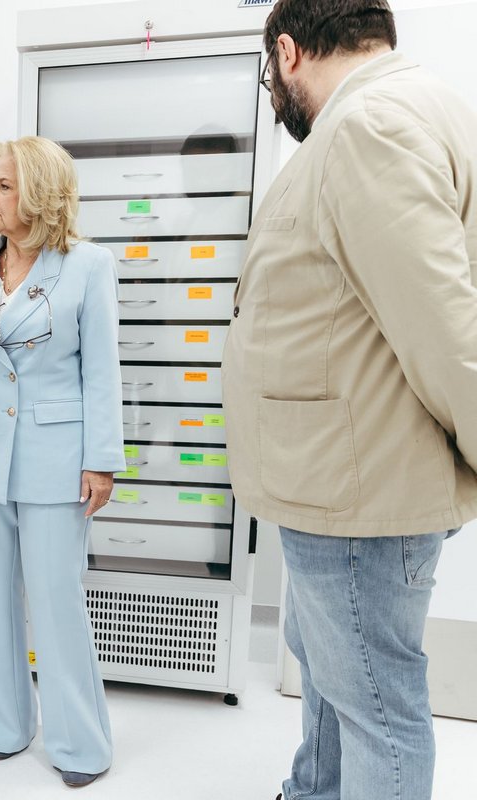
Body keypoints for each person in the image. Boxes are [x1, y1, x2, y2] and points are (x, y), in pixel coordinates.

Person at [221, 2, 477, 798]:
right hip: (344, 484)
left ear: (288, 51)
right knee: (333, 670)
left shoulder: (370, 126)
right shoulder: (401, 110)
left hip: (360, 492)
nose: (274, 96)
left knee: (376, 707)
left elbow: (445, 330)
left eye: (269, 76)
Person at [0, 136, 125, 788]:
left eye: (5, 186)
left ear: (38, 193)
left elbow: (102, 371)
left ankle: (80, 746)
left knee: (57, 602)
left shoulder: (86, 266)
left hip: (54, 459)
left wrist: (102, 460)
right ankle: (6, 727)